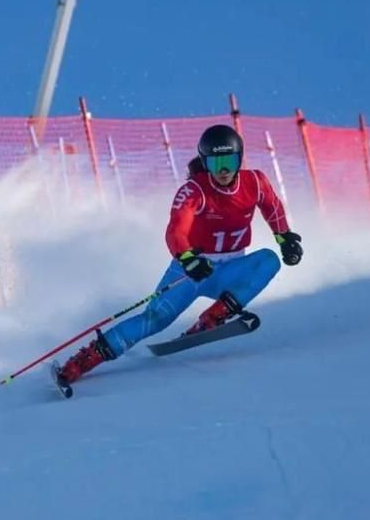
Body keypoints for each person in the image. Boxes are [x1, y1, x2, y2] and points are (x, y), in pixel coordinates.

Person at [55, 124, 303, 384]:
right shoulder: (194, 191)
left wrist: (284, 236)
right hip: (193, 272)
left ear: (240, 159)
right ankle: (82, 362)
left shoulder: (255, 182)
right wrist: (188, 258)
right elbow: (175, 231)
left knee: (269, 260)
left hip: (231, 268)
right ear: (205, 162)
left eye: (229, 161)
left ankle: (215, 316)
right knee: (154, 319)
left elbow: (272, 206)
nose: (224, 170)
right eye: (215, 163)